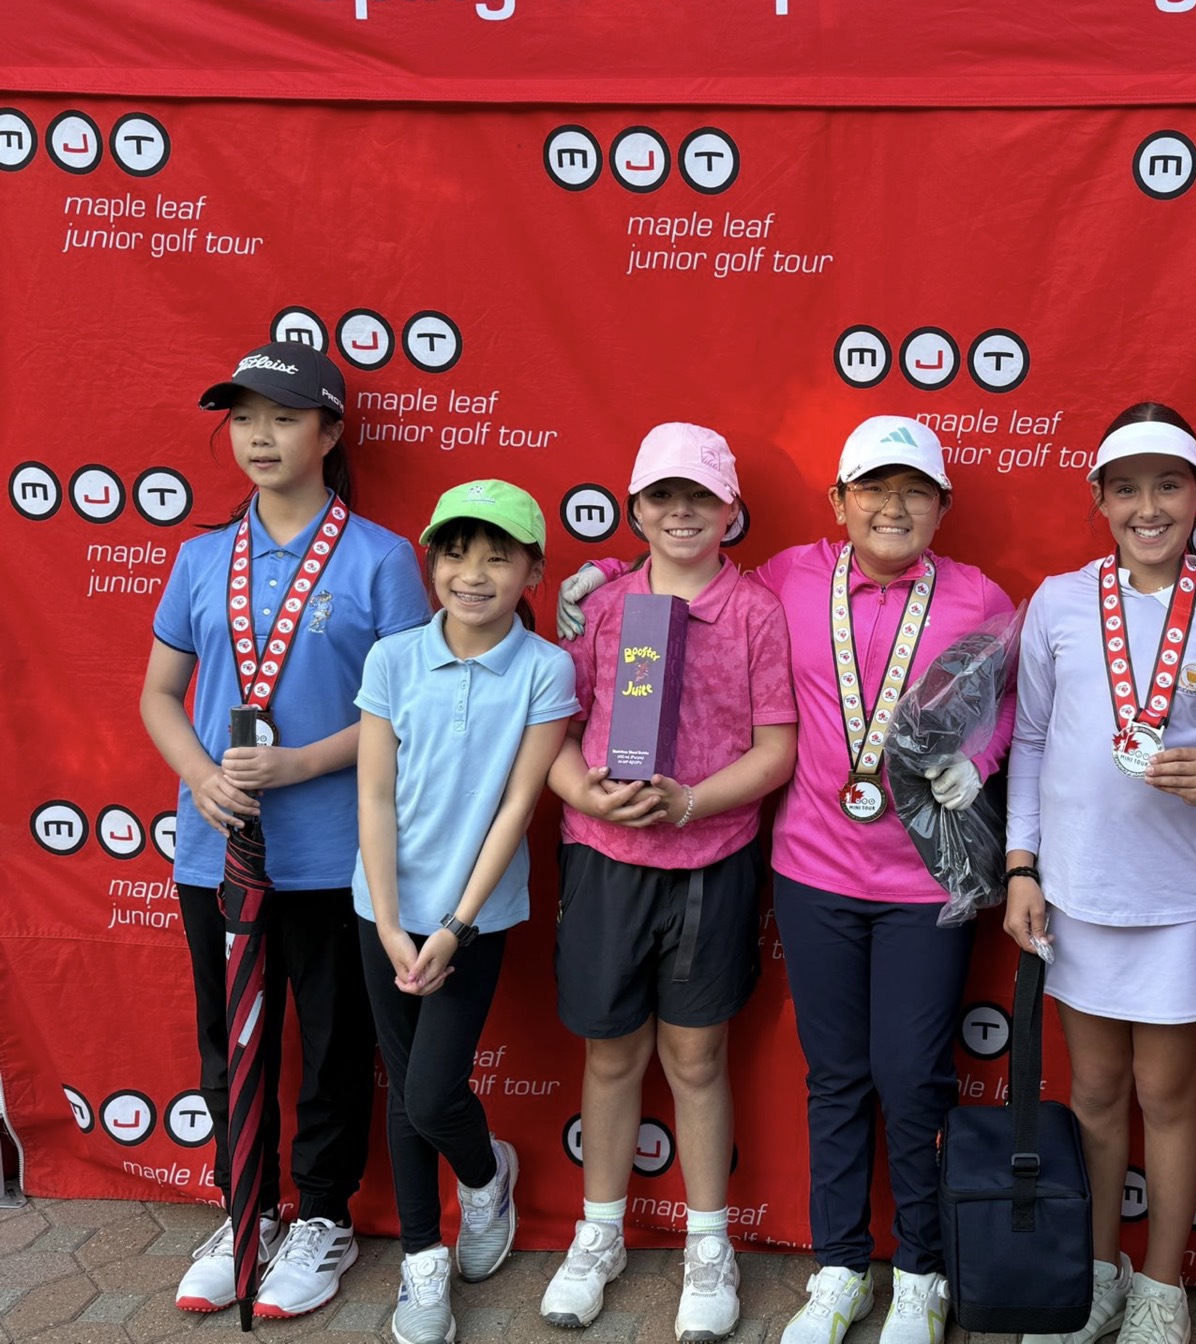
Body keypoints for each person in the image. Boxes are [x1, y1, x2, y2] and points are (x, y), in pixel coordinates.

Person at [565, 417, 1015, 1344]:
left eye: (916, 491)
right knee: (837, 1076)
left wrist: (982, 755)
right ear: (838, 502)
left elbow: (1013, 698)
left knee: (914, 1078)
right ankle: (840, 1268)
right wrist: (603, 573)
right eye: (874, 489)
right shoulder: (790, 579)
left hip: (925, 882)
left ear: (942, 507)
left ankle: (921, 1272)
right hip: (813, 872)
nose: (894, 507)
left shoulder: (979, 596)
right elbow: (685, 570)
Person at [140, 342, 430, 1317]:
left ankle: (324, 1218)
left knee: (338, 1043)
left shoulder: (382, 558)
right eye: (243, 419)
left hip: (339, 855)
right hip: (216, 850)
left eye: (284, 418)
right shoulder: (199, 558)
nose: (259, 437)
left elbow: (406, 710)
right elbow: (159, 695)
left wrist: (300, 765)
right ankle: (246, 1210)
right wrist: (202, 777)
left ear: (331, 432)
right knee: (229, 1042)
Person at [542, 424, 798, 1337]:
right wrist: (585, 793)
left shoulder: (757, 611)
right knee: (611, 1054)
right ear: (636, 509)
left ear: (731, 511)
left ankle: (708, 1243)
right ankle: (599, 1233)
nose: (681, 513)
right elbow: (557, 730)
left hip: (710, 863)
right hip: (603, 860)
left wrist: (690, 802)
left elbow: (776, 750)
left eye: (701, 497)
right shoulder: (603, 607)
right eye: (662, 497)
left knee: (696, 1058)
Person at [1002, 403, 1196, 1344]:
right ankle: (1100, 1273)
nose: (1149, 507)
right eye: (1127, 489)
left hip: (1181, 900)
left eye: (1168, 486)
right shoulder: (1060, 602)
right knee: (1096, 1096)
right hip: (1077, 893)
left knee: (1168, 1097)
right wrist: (1022, 867)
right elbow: (1029, 740)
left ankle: (1163, 1288)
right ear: (1099, 500)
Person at [354, 480, 577, 1344]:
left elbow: (519, 804)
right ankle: (422, 1261)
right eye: (454, 554)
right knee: (403, 1089)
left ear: (533, 571)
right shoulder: (392, 659)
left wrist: (454, 926)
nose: (473, 574)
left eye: (496, 557)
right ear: (431, 563)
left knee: (431, 1093)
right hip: (380, 909)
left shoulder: (546, 668)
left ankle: (485, 1180)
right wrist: (388, 921)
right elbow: (375, 795)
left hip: (475, 917)